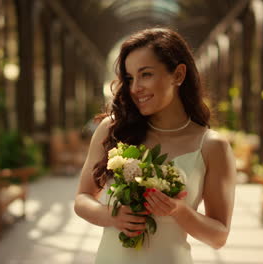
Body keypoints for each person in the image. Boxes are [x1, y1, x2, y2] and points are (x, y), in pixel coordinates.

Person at [74, 27, 236, 264]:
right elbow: (82, 199)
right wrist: (112, 216)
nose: (135, 87)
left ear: (178, 75)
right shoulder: (113, 130)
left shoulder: (213, 146)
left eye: (146, 74)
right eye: (129, 78)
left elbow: (218, 236)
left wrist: (178, 211)